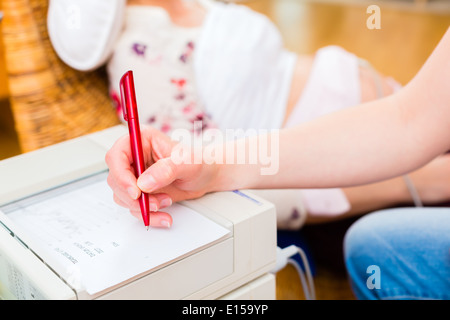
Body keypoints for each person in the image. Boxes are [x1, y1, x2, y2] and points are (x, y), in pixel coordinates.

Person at [105, 26, 450, 299]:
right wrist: (212, 168)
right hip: (378, 165)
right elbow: (409, 121)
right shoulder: (138, 41)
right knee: (374, 245)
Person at [47, 0, 450, 229]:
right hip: (391, 164)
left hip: (409, 126)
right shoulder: (141, 51)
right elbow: (196, 167)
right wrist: (421, 180)